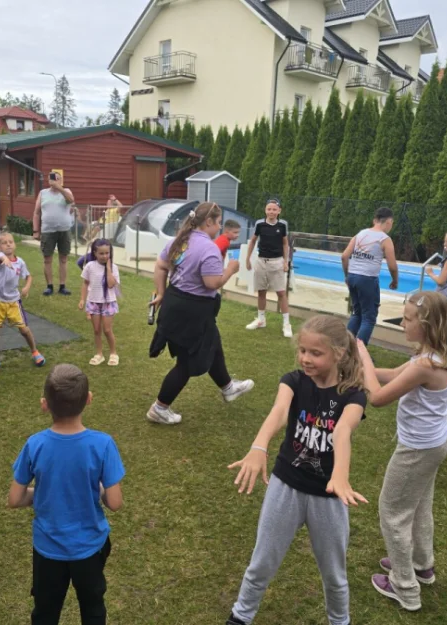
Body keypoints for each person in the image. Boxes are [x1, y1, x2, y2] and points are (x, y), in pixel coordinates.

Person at [225, 315, 367, 625]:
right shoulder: (293, 381)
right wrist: (259, 446)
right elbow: (279, 412)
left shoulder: (353, 394)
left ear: (338, 354)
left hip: (328, 494)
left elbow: (342, 430)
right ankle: (240, 616)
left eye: (316, 353)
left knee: (334, 574)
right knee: (261, 563)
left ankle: (339, 620)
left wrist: (340, 475)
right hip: (285, 484)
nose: (306, 358)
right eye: (302, 350)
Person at [355, 291, 447, 612]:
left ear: (427, 325)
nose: (402, 324)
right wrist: (363, 370)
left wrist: (363, 356)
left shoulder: (426, 365)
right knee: (418, 506)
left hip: (417, 450)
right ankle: (421, 564)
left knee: (393, 511)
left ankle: (404, 586)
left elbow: (377, 398)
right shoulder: (435, 356)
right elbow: (392, 376)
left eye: (407, 319)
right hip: (434, 443)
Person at [8, 364, 125, 625]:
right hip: (90, 549)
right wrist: (97, 489)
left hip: (48, 550)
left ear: (44, 404)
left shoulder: (35, 444)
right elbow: (115, 502)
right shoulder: (103, 444)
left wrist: (43, 494)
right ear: (89, 399)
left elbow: (15, 499)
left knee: (45, 612)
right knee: (93, 608)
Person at [148, 202, 254, 425]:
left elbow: (160, 265)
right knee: (187, 362)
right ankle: (159, 408)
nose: (220, 227)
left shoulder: (180, 240)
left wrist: (161, 292)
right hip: (192, 312)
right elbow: (212, 283)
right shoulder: (209, 248)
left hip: (176, 305)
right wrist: (230, 270)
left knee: (212, 341)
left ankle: (228, 388)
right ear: (208, 222)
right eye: (218, 222)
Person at [0, 232, 45, 372]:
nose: (8, 244)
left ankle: (35, 352)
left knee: (24, 330)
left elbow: (28, 276)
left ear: (15, 244)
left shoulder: (20, 262)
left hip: (13, 302)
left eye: (10, 242)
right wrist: (4, 258)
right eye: (4, 243)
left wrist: (26, 287)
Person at [341, 207, 398, 345]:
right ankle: (359, 353)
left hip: (353, 276)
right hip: (367, 279)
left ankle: (346, 348)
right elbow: (392, 266)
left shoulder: (360, 234)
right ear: (389, 222)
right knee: (369, 318)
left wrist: (347, 276)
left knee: (357, 313)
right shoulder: (385, 239)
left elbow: (344, 256)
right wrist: (395, 280)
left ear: (375, 220)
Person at [245, 200, 292, 338]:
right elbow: (253, 241)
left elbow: (285, 244)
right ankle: (261, 320)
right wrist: (248, 259)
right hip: (261, 262)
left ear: (279, 211)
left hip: (277, 262)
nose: (271, 211)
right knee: (261, 291)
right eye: (269, 209)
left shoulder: (282, 225)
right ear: (265, 210)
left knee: (281, 293)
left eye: (274, 209)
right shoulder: (259, 224)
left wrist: (286, 261)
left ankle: (286, 324)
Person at [32, 171, 75, 296]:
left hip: (64, 230)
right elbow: (36, 213)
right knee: (47, 259)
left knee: (63, 258)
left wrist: (59, 188)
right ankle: (49, 286)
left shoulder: (66, 191)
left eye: (58, 178)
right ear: (48, 180)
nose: (55, 180)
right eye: (52, 178)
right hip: (47, 230)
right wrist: (36, 230)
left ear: (61, 180)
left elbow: (71, 200)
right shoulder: (43, 193)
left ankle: (62, 286)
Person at [79, 239, 120, 366]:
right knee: (96, 330)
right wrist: (82, 299)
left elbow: (111, 284)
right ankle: (99, 354)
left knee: (107, 330)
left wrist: (108, 268)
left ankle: (113, 353)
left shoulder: (114, 268)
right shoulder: (89, 266)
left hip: (108, 302)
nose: (104, 256)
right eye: (101, 253)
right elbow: (85, 283)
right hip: (93, 302)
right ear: (95, 253)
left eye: (107, 253)